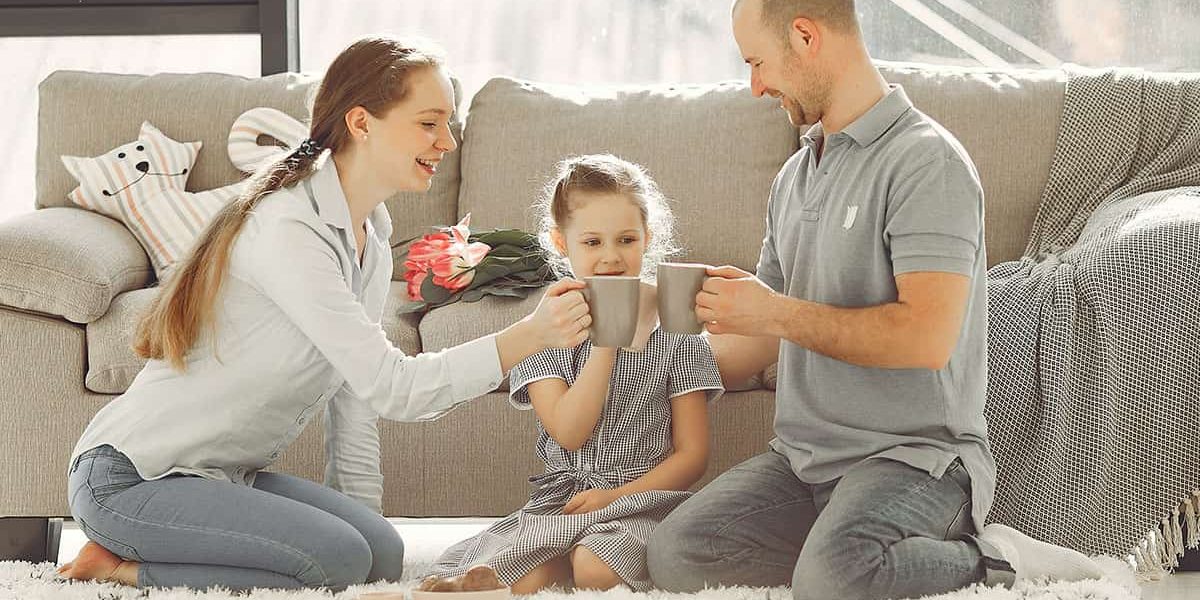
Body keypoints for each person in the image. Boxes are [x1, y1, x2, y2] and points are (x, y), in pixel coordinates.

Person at [56, 36, 590, 592]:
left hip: (217, 477)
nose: (448, 141)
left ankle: (319, 550)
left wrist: (362, 536)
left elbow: (355, 401)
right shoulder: (289, 228)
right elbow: (395, 388)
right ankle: (124, 566)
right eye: (429, 123)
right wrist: (530, 334)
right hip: (131, 477)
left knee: (377, 554)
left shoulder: (371, 237)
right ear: (362, 123)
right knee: (334, 562)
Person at [645, 2, 1105, 599]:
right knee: (678, 555)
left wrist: (773, 310)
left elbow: (925, 337)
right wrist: (649, 333)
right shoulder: (794, 178)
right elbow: (757, 340)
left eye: (758, 62)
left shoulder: (926, 162)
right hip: (805, 461)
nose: (755, 85)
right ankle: (846, 549)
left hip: (914, 460)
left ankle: (996, 557)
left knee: (835, 578)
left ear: (806, 37)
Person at [427, 154, 724, 593]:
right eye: (592, 242)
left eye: (626, 240)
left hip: (641, 501)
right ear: (561, 243)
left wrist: (615, 498)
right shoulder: (544, 332)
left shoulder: (677, 336)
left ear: (648, 238)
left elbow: (692, 456)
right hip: (564, 500)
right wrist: (607, 339)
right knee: (515, 569)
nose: (611, 257)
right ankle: (506, 578)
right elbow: (569, 432)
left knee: (596, 567)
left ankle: (565, 558)